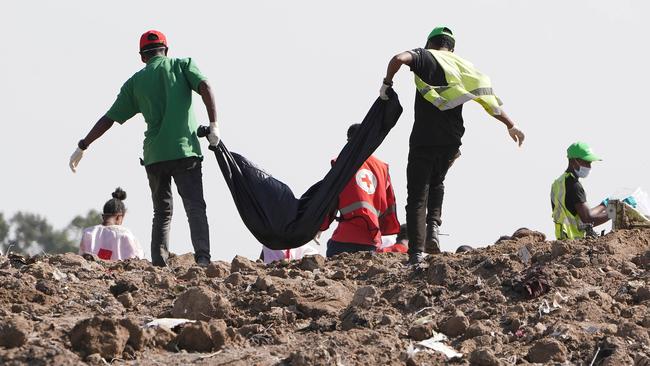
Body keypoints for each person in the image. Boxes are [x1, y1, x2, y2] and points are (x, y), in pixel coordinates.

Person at [69, 30, 220, 267]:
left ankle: (159, 262)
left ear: (142, 57)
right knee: (195, 207)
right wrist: (213, 125)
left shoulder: (135, 83)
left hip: (155, 157)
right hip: (185, 152)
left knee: (162, 213)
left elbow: (109, 118)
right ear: (166, 51)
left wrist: (83, 145)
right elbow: (206, 86)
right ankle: (202, 258)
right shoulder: (183, 66)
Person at [379, 26, 525, 266]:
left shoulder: (425, 56)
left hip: (424, 138)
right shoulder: (463, 66)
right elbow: (488, 101)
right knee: (437, 182)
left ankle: (416, 253)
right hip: (451, 139)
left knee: (417, 196)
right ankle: (433, 229)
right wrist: (510, 125)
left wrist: (387, 82)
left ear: (429, 44)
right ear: (452, 48)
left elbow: (398, 58)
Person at [321, 123, 401, 257]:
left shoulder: (342, 162)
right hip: (371, 240)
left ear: (349, 140)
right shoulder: (382, 168)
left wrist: (321, 225)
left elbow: (331, 198)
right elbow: (390, 204)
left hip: (344, 238)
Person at [551, 142, 610, 239]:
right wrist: (614, 213)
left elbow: (584, 212)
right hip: (574, 241)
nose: (589, 166)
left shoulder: (558, 183)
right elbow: (588, 219)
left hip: (562, 240)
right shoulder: (574, 185)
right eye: (586, 162)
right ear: (574, 161)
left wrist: (605, 205)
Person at [79, 188, 144, 260]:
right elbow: (137, 258)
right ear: (119, 217)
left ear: (103, 216)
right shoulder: (125, 235)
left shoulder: (89, 232)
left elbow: (81, 258)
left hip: (91, 270)